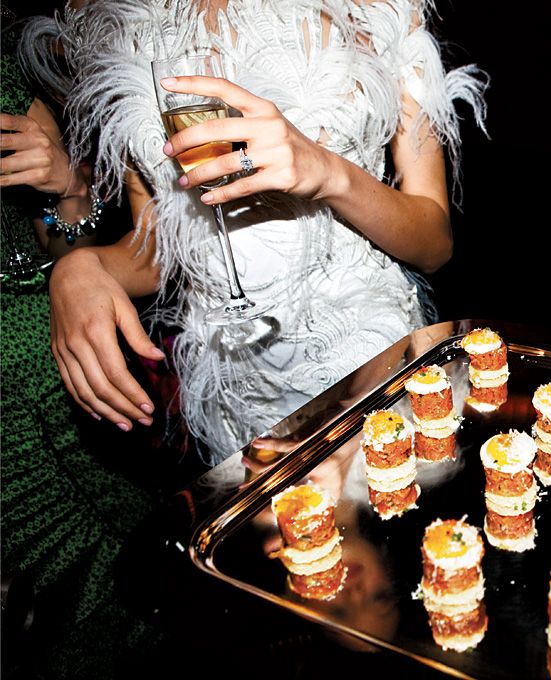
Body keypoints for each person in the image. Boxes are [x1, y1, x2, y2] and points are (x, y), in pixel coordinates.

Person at [23, 0, 488, 467]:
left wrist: (329, 173)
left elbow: (435, 243)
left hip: (365, 368)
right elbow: (160, 247)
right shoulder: (122, 23)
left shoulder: (375, 8)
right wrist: (82, 266)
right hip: (231, 391)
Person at [0, 4, 164, 678]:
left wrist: (64, 185)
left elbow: (70, 242)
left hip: (47, 352)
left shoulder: (16, 63)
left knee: (122, 585)